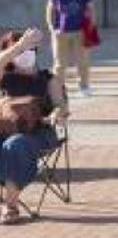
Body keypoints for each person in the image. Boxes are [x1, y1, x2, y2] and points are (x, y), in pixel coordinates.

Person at [0, 29, 69, 226]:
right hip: (6, 129)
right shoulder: (5, 77)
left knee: (16, 144)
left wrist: (58, 113)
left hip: (40, 133)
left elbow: (60, 106)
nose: (25, 53)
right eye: (21, 51)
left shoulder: (48, 78)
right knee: (10, 142)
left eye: (30, 49)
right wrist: (19, 46)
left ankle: (10, 205)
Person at [47, 0, 94, 99]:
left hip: (80, 32)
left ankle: (84, 86)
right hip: (61, 33)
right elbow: (50, 11)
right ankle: (59, 89)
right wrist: (51, 28)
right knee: (59, 64)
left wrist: (90, 27)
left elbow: (91, 9)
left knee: (83, 61)